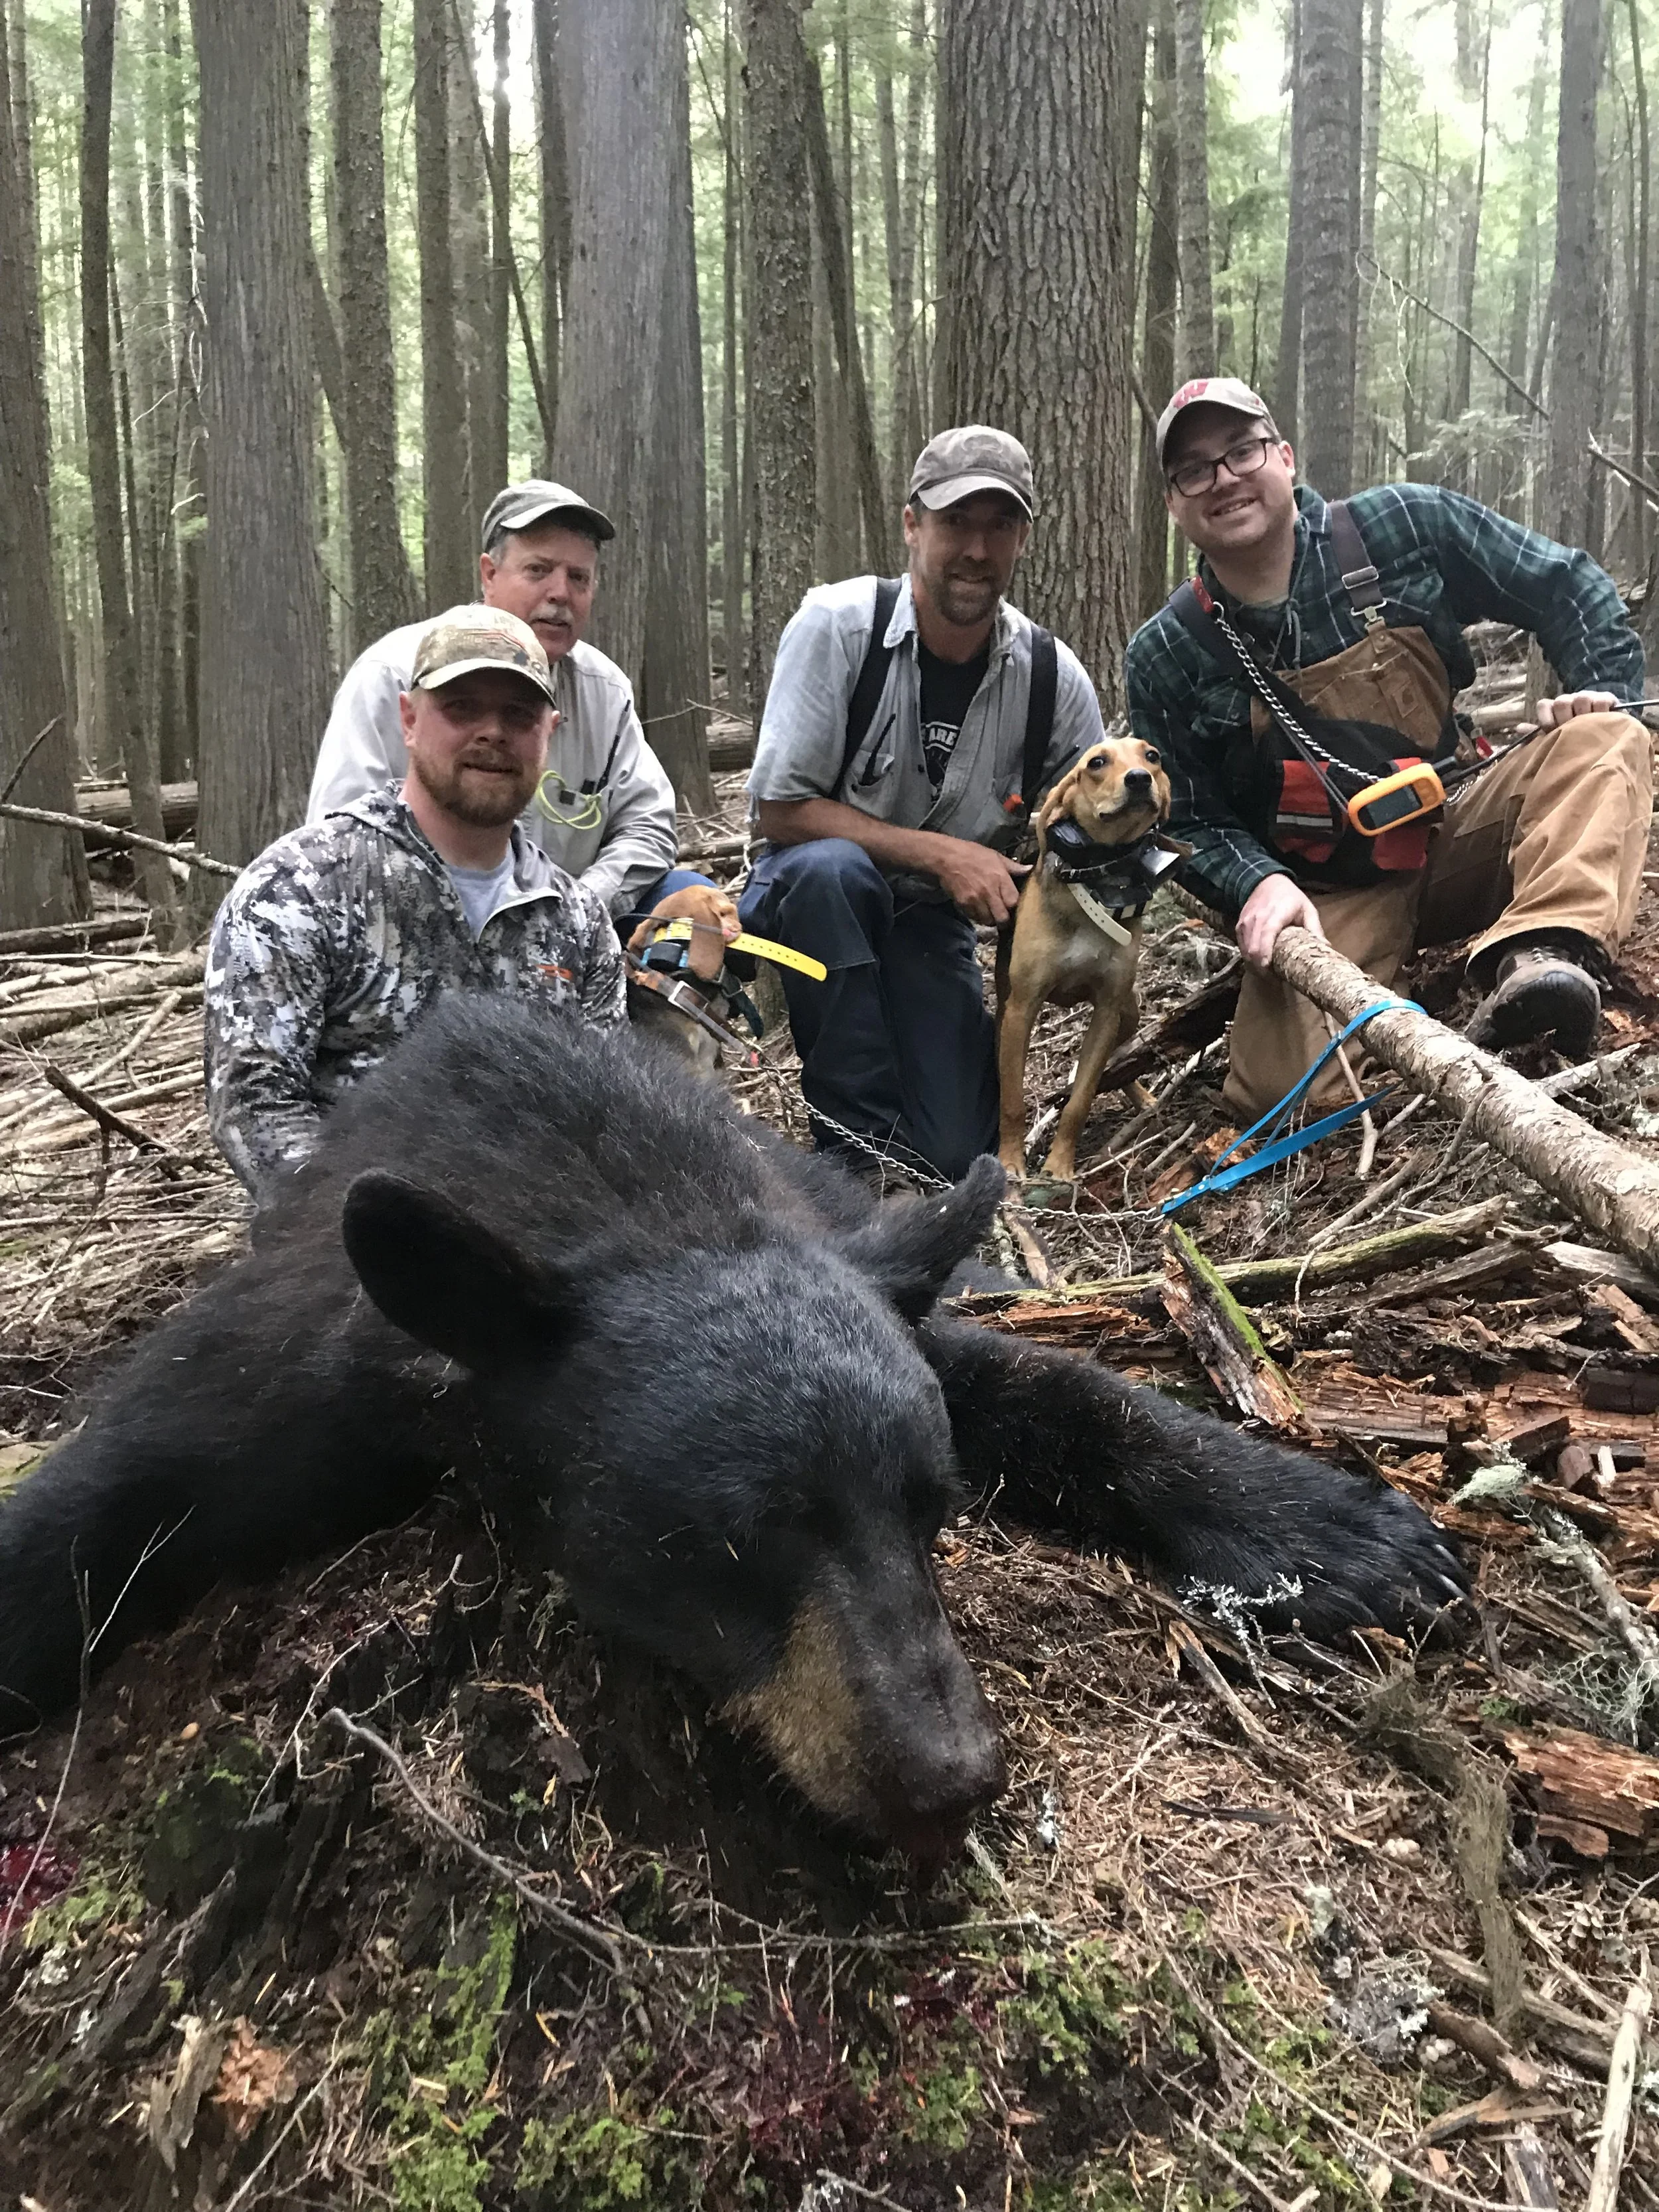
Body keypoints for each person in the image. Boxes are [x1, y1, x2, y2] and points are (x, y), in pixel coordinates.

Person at [1125, 375, 1654, 1118]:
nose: (1223, 479)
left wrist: (1595, 686)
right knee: (1283, 1094)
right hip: (1325, 894)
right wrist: (1254, 883)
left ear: (1284, 456)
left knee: (1605, 738)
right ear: (1175, 505)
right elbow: (1183, 816)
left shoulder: (1404, 525)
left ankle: (1544, 957)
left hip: (1460, 825)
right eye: (1194, 470)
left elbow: (1567, 587)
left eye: (1241, 451)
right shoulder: (1165, 654)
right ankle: (1420, 1027)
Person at [741, 425, 1107, 1181]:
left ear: (1023, 539)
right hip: (812, 901)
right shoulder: (839, 627)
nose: (976, 550)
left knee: (952, 1154)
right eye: (954, 524)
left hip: (928, 926)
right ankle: (855, 1164)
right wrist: (944, 854)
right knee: (832, 874)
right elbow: (778, 811)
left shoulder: (1051, 678)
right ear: (911, 525)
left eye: (997, 526)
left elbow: (1091, 823)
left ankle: (901, 1136)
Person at [206, 607, 626, 1201]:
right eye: (462, 708)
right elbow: (254, 1106)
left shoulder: (577, 924)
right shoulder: (300, 889)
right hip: (341, 1255)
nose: (493, 732)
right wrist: (378, 1232)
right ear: (408, 718)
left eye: (518, 714)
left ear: (548, 733)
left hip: (538, 1248)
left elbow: (604, 1116)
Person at [306, 479, 709, 927]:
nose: (560, 593)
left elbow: (648, 823)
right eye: (538, 570)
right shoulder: (395, 673)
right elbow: (338, 843)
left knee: (692, 901)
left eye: (579, 578)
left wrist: (579, 909)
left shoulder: (604, 690)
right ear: (489, 575)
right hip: (419, 931)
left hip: (572, 934)